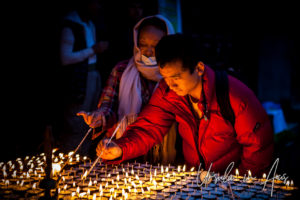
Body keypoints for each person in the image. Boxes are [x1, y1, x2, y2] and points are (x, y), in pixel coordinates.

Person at [95, 34, 274, 176]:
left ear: (199, 69)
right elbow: (149, 127)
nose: (170, 85)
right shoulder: (169, 92)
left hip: (232, 183)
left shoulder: (235, 97)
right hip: (197, 181)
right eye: (165, 77)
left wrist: (235, 185)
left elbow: (258, 150)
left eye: (176, 77)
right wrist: (120, 148)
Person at [77, 15, 177, 164]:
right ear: (136, 42)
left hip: (163, 149)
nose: (148, 52)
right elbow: (108, 106)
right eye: (143, 44)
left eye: (156, 46)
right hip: (122, 145)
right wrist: (99, 117)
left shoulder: (174, 74)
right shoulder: (122, 70)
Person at [57, 0, 109, 155]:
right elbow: (65, 58)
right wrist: (93, 50)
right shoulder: (71, 25)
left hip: (93, 76)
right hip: (78, 81)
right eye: (95, 3)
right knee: (77, 123)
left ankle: (82, 161)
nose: (98, 6)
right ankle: (70, 161)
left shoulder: (90, 23)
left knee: (91, 121)